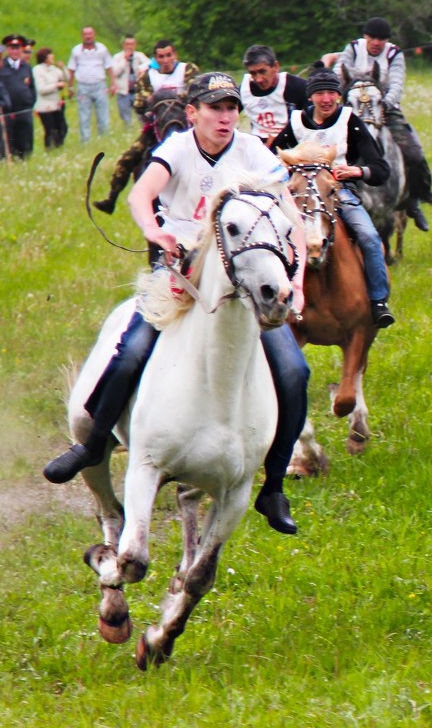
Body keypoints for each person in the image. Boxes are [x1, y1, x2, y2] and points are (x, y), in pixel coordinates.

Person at [44, 72, 309, 535]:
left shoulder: (253, 153)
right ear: (193, 114)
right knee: (129, 352)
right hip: (182, 277)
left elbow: (293, 220)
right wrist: (154, 231)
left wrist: (297, 279)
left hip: (246, 282)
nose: (225, 117)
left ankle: (273, 486)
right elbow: (141, 196)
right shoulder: (176, 150)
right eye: (215, 108)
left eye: (231, 108)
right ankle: (93, 444)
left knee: (294, 371)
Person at [270, 68, 395, 328]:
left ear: (339, 96)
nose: (326, 99)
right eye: (319, 93)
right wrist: (284, 169)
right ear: (311, 97)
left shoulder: (350, 121)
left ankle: (378, 301)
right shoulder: (296, 122)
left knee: (370, 236)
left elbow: (381, 168)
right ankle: (273, 298)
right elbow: (268, 159)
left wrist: (358, 170)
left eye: (331, 93)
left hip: (339, 192)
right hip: (299, 195)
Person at [333, 17, 432, 232]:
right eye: (372, 38)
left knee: (413, 153)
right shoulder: (353, 49)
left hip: (385, 108)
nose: (376, 42)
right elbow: (339, 74)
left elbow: (397, 84)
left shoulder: (394, 54)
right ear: (365, 37)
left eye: (381, 39)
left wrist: (383, 103)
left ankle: (415, 199)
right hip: (352, 108)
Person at [99, 40, 200, 214]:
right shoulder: (147, 76)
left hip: (188, 124)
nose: (166, 60)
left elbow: (195, 92)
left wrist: (161, 98)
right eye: (161, 56)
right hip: (157, 126)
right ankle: (112, 197)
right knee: (130, 156)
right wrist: (158, 101)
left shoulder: (188, 69)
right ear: (155, 58)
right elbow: (139, 103)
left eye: (169, 55)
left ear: (175, 55)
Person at [240, 44, 308, 145]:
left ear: (275, 66)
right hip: (259, 148)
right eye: (253, 73)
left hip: (292, 147)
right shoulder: (244, 89)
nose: (258, 79)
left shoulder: (297, 87)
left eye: (262, 71)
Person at [66, 26, 115, 143]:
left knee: (103, 115)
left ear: (94, 35)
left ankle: (104, 141)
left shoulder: (102, 49)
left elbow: (109, 67)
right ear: (82, 36)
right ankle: (85, 142)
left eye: (90, 34)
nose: (88, 37)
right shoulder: (76, 51)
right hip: (83, 86)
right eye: (85, 34)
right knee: (84, 116)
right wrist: (70, 87)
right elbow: (71, 69)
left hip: (99, 85)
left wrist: (113, 84)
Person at [0, 35, 36, 159]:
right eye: (11, 48)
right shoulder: (1, 67)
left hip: (24, 111)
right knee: (9, 142)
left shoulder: (26, 67)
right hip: (8, 112)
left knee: (25, 142)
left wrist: (30, 103)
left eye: (17, 48)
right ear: (7, 50)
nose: (14, 51)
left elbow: (32, 88)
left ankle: (24, 162)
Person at [33, 47, 68, 150]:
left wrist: (63, 68)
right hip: (44, 106)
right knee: (50, 130)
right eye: (50, 55)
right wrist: (56, 85)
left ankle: (59, 146)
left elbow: (66, 78)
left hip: (56, 105)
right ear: (45, 57)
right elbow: (41, 89)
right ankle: (49, 149)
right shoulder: (38, 70)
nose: (53, 57)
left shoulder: (54, 69)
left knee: (62, 128)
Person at [111, 34, 149, 127]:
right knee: (126, 118)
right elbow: (115, 72)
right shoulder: (117, 57)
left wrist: (141, 69)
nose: (130, 46)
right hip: (123, 92)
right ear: (123, 45)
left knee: (142, 116)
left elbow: (149, 64)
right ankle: (129, 131)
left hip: (137, 91)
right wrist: (124, 60)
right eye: (127, 44)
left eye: (132, 44)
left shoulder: (139, 56)